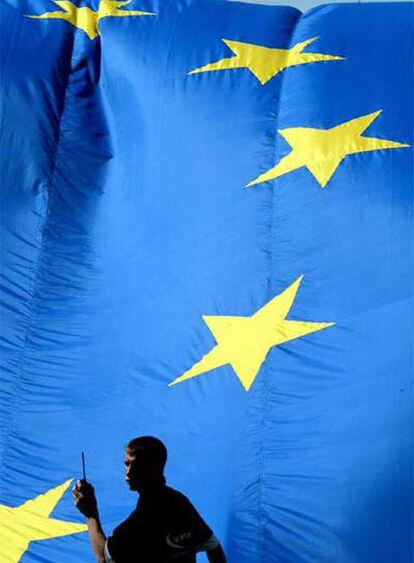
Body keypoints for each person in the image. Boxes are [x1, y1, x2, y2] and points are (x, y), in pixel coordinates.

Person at [73, 436, 227, 563]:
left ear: (154, 468)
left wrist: (90, 513)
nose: (129, 472)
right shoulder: (181, 503)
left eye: (136, 465)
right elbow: (213, 546)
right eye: (126, 464)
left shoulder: (139, 523)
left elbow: (102, 557)